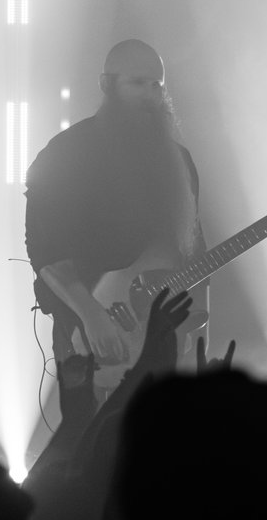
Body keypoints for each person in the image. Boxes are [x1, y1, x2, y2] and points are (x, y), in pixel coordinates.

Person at [24, 39, 205, 367]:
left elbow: (193, 253)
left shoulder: (179, 163)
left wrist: (190, 324)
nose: (150, 96)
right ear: (106, 84)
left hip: (160, 336)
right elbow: (45, 252)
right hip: (84, 331)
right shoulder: (63, 154)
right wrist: (91, 315)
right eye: (137, 83)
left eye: (157, 85)